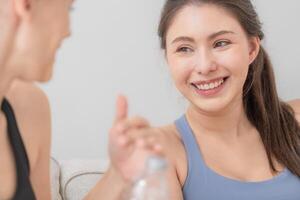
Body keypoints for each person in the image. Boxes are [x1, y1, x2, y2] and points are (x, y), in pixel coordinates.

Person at [85, 0, 300, 199]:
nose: (205, 66)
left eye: (221, 43)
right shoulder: (164, 151)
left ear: (252, 48)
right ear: (168, 59)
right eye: (184, 49)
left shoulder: (294, 122)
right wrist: (116, 176)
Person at [0, 0, 74, 199]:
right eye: (69, 7)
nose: (69, 31)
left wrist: (116, 177)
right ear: (25, 5)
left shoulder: (29, 108)